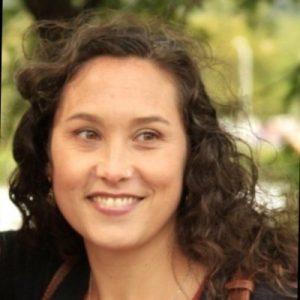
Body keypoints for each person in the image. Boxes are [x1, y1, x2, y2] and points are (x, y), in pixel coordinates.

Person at [0, 12, 297, 300]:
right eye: (87, 134)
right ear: (47, 155)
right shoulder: (22, 273)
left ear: (193, 155)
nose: (113, 169)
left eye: (148, 136)